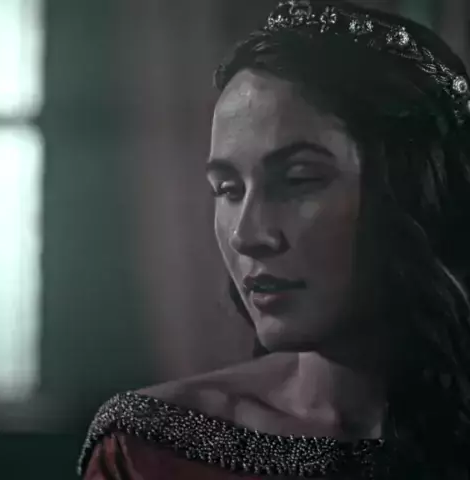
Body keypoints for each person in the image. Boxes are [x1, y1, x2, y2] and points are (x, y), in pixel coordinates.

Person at [77, 1, 470, 478]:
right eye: (228, 189)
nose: (247, 235)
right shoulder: (153, 450)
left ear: (422, 193)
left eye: (299, 179)